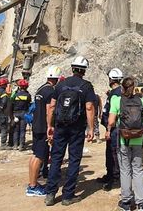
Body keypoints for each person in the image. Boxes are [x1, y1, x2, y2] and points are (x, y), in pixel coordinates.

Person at [44, 56, 96, 206]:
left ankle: (50, 194)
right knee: (74, 160)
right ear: (84, 70)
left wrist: (50, 125)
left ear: (72, 68)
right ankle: (67, 196)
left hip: (60, 126)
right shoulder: (86, 86)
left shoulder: (61, 84)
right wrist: (91, 128)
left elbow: (52, 107)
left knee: (56, 159)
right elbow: (89, 107)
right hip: (77, 128)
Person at [107, 77, 143, 211]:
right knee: (138, 169)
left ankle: (125, 202)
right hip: (138, 139)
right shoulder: (140, 100)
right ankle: (141, 203)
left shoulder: (116, 100)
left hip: (123, 140)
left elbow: (111, 121)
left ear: (122, 87)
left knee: (125, 170)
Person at [26, 66, 62, 197]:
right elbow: (49, 110)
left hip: (36, 125)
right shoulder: (51, 91)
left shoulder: (41, 89)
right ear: (56, 79)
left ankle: (32, 183)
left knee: (35, 155)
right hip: (42, 127)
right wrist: (50, 127)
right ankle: (33, 186)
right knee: (40, 156)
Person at [97, 68, 124, 191]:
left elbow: (113, 114)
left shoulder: (116, 94)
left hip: (114, 128)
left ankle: (114, 178)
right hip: (113, 128)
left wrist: (108, 129)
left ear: (111, 79)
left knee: (114, 153)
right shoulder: (115, 92)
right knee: (110, 153)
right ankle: (109, 175)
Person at [12, 79, 32, 150]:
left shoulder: (16, 95)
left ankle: (15, 145)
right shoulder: (28, 95)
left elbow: (12, 102)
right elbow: (29, 104)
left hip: (16, 113)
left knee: (16, 130)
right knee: (22, 130)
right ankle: (21, 145)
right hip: (24, 113)